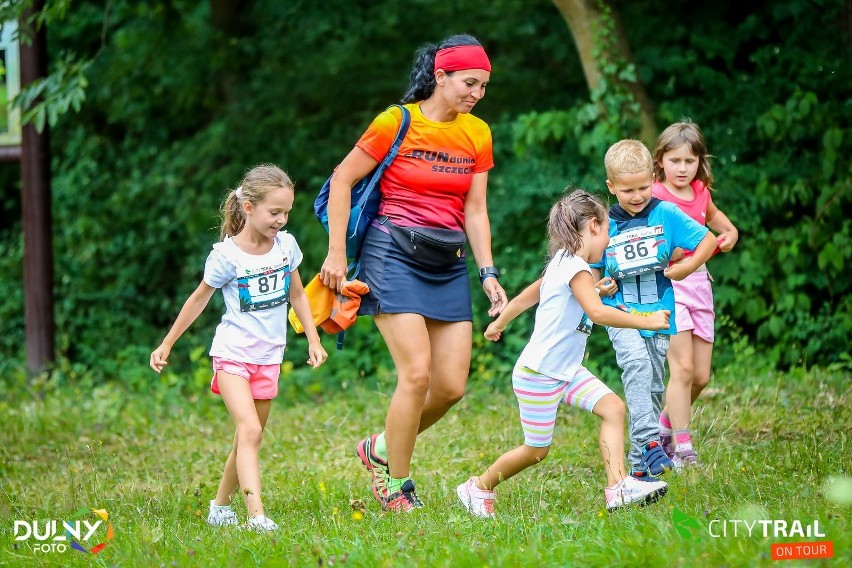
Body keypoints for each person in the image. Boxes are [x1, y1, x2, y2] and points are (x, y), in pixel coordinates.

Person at [319, 34, 507, 512]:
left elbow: (477, 209)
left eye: (483, 86)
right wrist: (336, 253)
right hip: (392, 253)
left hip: (447, 261)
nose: (476, 93)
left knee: (450, 386)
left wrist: (488, 272)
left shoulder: (477, 133)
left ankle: (380, 446)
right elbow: (343, 178)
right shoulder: (396, 121)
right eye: (469, 82)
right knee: (417, 374)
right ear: (440, 77)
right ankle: (395, 484)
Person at [456, 190, 671, 517]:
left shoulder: (565, 263)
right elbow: (597, 314)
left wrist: (498, 323)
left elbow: (528, 298)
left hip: (566, 370)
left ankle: (618, 488)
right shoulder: (576, 269)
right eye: (609, 231)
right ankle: (478, 487)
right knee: (536, 450)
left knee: (613, 408)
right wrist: (647, 319)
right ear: (595, 226)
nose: (610, 239)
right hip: (539, 375)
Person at [150, 164, 328, 532]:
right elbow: (198, 300)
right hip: (232, 355)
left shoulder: (286, 247)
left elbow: (297, 293)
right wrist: (167, 342)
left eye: (287, 212)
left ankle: (219, 506)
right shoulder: (227, 256)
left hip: (269, 357)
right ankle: (256, 516)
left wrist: (312, 337)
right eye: (274, 212)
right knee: (249, 431)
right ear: (248, 207)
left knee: (247, 437)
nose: (281, 220)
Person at [593, 140, 718, 480]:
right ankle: (650, 443)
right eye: (627, 190)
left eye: (644, 187)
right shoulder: (603, 224)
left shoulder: (666, 213)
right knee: (635, 364)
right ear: (611, 187)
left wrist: (686, 268)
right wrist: (599, 284)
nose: (636, 196)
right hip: (620, 312)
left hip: (660, 314)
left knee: (652, 385)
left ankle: (639, 465)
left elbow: (708, 240)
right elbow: (592, 269)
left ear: (652, 177)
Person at [651, 121, 739, 467]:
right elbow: (648, 242)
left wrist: (730, 232)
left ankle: (664, 427)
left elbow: (717, 220)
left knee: (701, 376)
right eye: (675, 161)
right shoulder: (655, 196)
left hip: (700, 283)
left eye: (689, 161)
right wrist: (668, 252)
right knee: (683, 369)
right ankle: (683, 448)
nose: (682, 168)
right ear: (661, 161)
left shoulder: (701, 192)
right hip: (670, 285)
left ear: (699, 161)